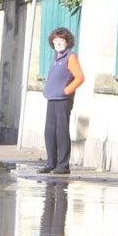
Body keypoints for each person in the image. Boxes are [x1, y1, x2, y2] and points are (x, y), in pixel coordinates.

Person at [38, 27, 84, 175]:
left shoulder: (71, 57)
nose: (58, 43)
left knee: (61, 132)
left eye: (61, 40)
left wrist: (66, 90)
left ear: (67, 42)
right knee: (49, 132)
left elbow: (80, 78)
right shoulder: (56, 56)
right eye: (55, 40)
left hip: (63, 100)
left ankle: (63, 165)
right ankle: (51, 163)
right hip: (52, 98)